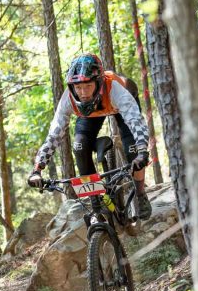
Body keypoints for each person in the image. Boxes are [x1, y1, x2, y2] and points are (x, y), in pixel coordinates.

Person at [28, 53, 152, 220]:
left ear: (98, 83)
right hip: (93, 112)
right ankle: (96, 201)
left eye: (87, 86)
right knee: (79, 147)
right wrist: (37, 169)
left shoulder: (115, 89)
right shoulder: (69, 98)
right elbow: (54, 134)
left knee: (133, 151)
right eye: (78, 87)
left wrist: (143, 151)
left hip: (119, 106)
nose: (83, 93)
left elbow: (135, 121)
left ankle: (140, 193)